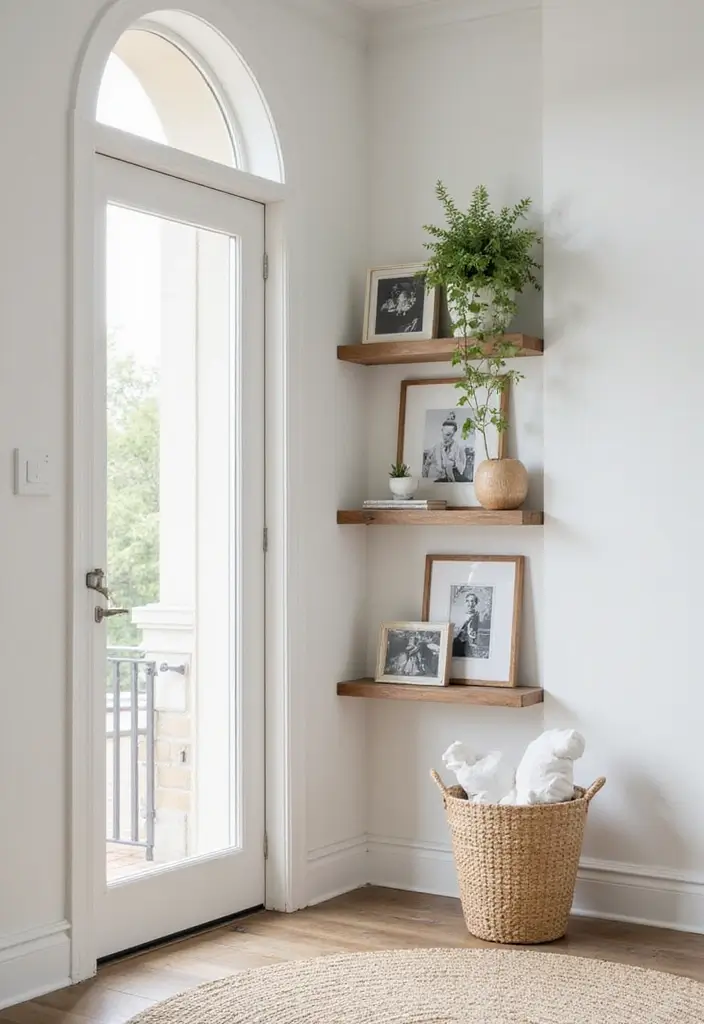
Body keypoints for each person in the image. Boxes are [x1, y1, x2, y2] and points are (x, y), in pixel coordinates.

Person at [423, 411, 470, 482]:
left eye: (448, 435)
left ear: (454, 433)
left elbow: (461, 470)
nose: (445, 438)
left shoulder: (459, 449)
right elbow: (426, 467)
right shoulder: (436, 447)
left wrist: (454, 463)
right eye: (443, 434)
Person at [453, 591, 480, 657]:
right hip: (459, 643)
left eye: (472, 601)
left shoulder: (477, 616)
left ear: (475, 603)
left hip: (471, 643)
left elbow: (475, 631)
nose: (470, 604)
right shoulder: (460, 616)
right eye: (467, 601)